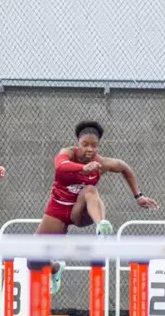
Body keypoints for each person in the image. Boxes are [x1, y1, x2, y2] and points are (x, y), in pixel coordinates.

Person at [36, 120, 158, 291]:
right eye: (85, 145)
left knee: (90, 189)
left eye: (94, 145)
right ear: (78, 144)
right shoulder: (68, 153)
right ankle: (56, 268)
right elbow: (60, 165)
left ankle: (101, 227)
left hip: (80, 211)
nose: (89, 149)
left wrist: (138, 196)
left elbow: (125, 168)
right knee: (33, 256)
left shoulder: (102, 164)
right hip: (57, 210)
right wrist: (82, 168)